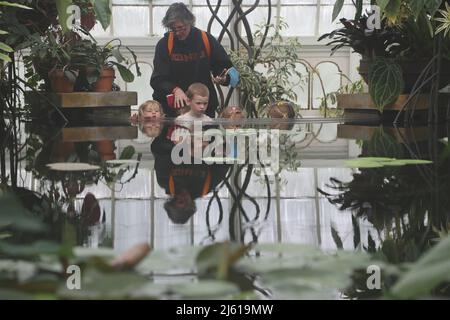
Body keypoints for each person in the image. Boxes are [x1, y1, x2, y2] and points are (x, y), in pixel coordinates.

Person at [150, 2, 238, 118]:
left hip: (203, 109)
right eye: (173, 29)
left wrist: (224, 79)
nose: (177, 33)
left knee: (208, 135)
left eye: (181, 28)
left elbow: (225, 67)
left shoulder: (205, 40)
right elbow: (157, 80)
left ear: (189, 22)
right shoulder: (164, 45)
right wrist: (175, 90)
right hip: (173, 111)